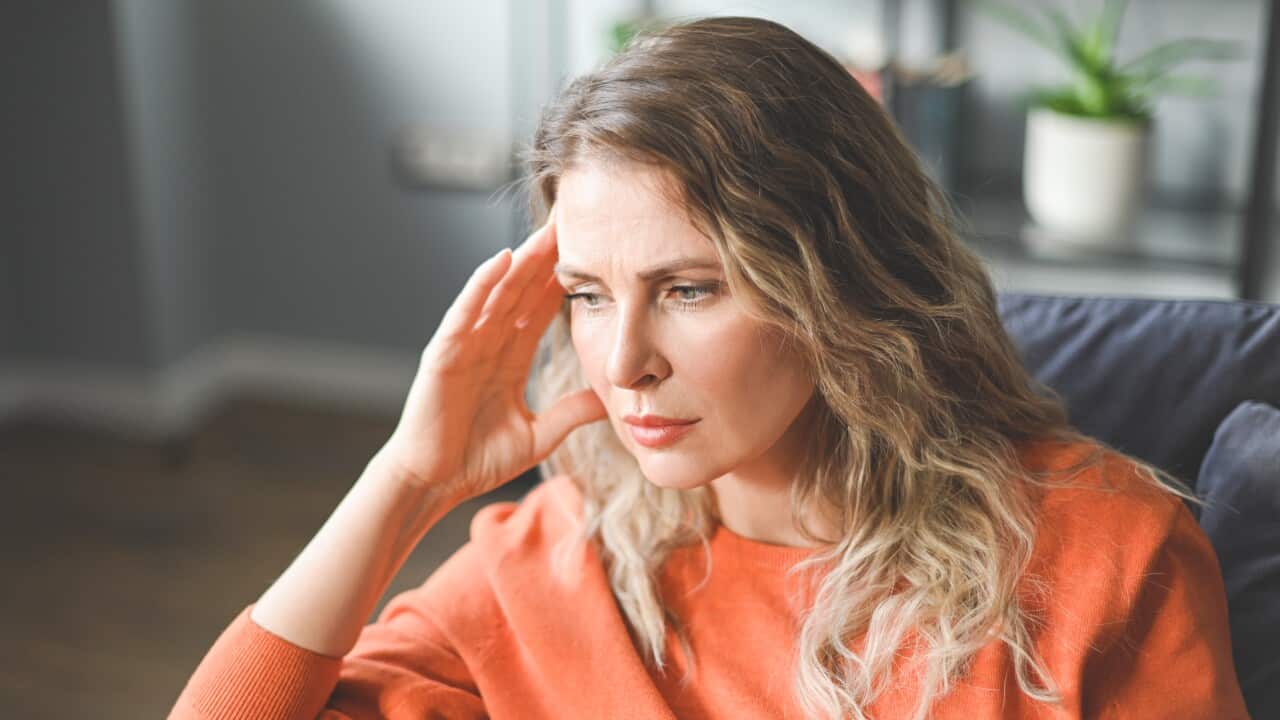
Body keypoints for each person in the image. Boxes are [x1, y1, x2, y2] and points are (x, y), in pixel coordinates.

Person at [167, 16, 1248, 720]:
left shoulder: (1108, 557)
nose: (624, 361)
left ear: (839, 284)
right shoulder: (556, 556)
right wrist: (407, 482)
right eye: (588, 296)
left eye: (688, 289)